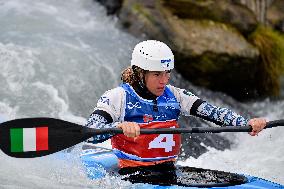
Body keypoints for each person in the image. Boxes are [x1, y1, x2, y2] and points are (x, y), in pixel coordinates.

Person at [85, 40, 267, 184]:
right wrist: (119, 126)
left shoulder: (176, 95)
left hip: (169, 171)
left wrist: (245, 123)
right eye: (157, 74)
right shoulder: (118, 97)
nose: (164, 81)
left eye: (167, 73)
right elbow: (90, 131)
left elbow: (213, 112)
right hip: (131, 174)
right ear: (140, 73)